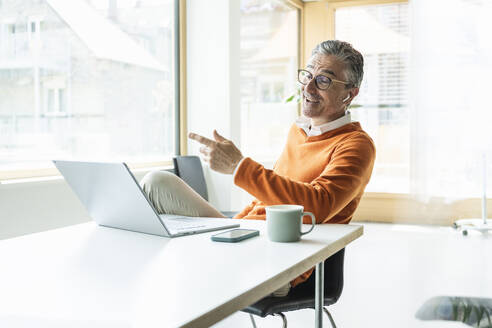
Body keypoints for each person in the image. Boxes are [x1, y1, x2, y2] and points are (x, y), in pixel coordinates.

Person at [141, 40, 376, 297]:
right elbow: (267, 197)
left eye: (324, 80)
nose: (308, 87)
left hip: (281, 258)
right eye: (308, 74)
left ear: (350, 94)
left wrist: (239, 167)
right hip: (246, 236)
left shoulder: (356, 145)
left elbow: (318, 206)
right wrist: (234, 225)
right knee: (157, 182)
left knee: (180, 270)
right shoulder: (298, 131)